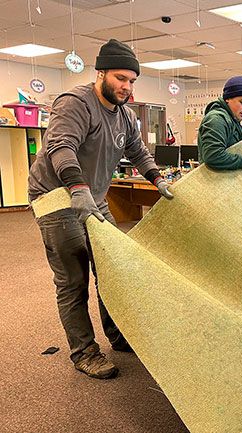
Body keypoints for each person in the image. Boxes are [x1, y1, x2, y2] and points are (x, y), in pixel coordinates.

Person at [28, 39, 174, 379]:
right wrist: (77, 188)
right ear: (101, 73)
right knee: (73, 278)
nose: (126, 86)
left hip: (91, 197)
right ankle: (84, 352)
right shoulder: (75, 103)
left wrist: (158, 179)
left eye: (132, 81)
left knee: (111, 270)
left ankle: (118, 335)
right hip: (56, 197)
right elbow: (60, 147)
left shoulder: (124, 115)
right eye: (121, 78)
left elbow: (138, 151)